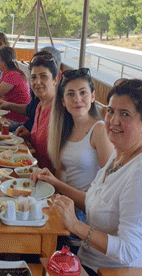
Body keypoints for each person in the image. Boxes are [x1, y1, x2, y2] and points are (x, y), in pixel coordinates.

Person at [39, 79, 142, 276]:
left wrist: (75, 224)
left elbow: (128, 251)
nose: (114, 121)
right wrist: (56, 184)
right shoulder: (120, 154)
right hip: (88, 264)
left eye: (125, 114)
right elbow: (93, 201)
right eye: (111, 111)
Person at [44, 68, 113, 216]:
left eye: (83, 92)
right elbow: (61, 172)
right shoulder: (63, 129)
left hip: (86, 211)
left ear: (93, 96)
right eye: (70, 94)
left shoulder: (100, 130)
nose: (77, 99)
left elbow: (107, 187)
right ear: (62, 101)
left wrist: (56, 185)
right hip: (65, 204)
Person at [13, 54, 62, 171]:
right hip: (33, 169)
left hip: (49, 179)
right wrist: (30, 136)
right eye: (33, 77)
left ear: (56, 79)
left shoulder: (60, 110)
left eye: (43, 76)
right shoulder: (40, 105)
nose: (37, 82)